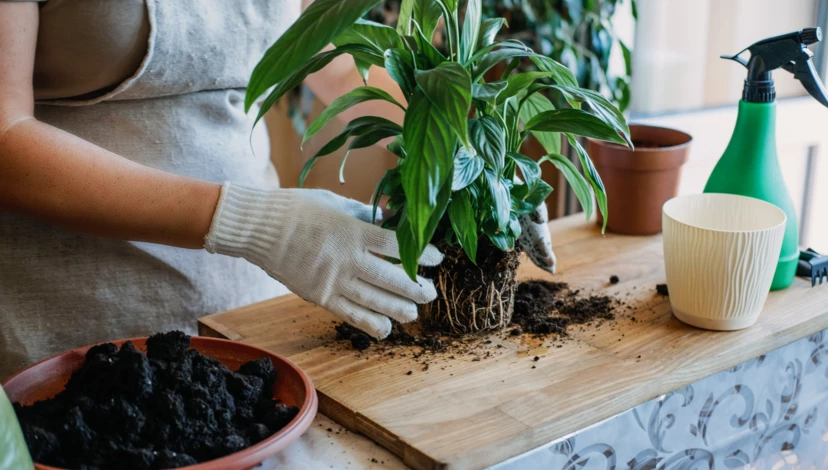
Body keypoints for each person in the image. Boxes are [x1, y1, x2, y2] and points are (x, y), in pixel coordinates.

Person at [0, 0, 556, 379]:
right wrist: (252, 222)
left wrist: (470, 150)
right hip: (77, 336)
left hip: (251, 313)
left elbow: (333, 63)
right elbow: (5, 136)